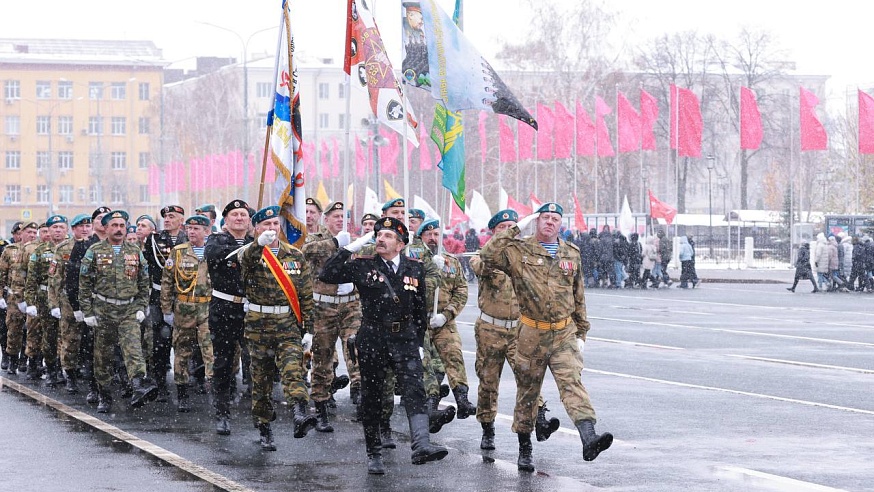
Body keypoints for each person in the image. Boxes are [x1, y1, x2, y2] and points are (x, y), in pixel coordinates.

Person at [479, 202, 613, 472]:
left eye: (555, 219)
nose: (550, 222)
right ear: (537, 222)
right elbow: (488, 255)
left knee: (571, 382)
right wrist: (517, 227)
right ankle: (525, 447)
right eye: (545, 218)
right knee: (528, 393)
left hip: (564, 332)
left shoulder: (571, 253)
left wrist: (582, 332)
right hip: (531, 333)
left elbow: (578, 295)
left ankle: (589, 436)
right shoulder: (519, 250)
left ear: (560, 224)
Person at [320, 217, 448, 474]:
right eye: (379, 235)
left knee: (415, 390)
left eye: (388, 236)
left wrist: (419, 341)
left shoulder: (415, 267)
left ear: (400, 244)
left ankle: (421, 445)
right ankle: (374, 452)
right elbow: (327, 274)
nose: (381, 239)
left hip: (404, 339)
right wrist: (349, 248)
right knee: (373, 397)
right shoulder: (363, 265)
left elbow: (418, 307)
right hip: (373, 338)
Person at [470, 210, 560, 451]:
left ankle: (538, 421)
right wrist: (514, 231)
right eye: (504, 227)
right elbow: (485, 264)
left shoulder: (524, 259)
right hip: (491, 329)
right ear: (494, 232)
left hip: (519, 330)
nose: (509, 230)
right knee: (488, 382)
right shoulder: (483, 257)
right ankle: (487, 428)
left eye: (512, 225)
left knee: (528, 380)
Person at [240, 206, 317, 451]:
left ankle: (300, 413)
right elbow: (246, 264)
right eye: (266, 225)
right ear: (257, 228)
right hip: (258, 325)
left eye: (275, 224)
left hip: (286, 324)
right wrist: (258, 245)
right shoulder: (249, 253)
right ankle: (264, 426)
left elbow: (305, 293)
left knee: (293, 369)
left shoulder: (294, 255)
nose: (272, 229)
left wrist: (309, 329)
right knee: (261, 380)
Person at [79, 210, 158, 413]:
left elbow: (144, 281)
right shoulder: (94, 251)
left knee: (133, 349)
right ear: (106, 228)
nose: (119, 229)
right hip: (103, 311)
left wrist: (141, 307)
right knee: (102, 355)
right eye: (114, 225)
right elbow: (85, 283)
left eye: (122, 225)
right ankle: (104, 394)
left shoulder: (134, 251)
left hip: (128, 309)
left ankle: (138, 386)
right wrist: (87, 312)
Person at [301, 201, 362, 433]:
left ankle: (360, 398)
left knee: (356, 350)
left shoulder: (356, 239)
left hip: (351, 306)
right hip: (323, 307)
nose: (339, 220)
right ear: (325, 219)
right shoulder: (316, 238)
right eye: (335, 216)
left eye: (343, 216)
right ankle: (321, 406)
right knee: (323, 358)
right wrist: (337, 243)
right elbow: (307, 252)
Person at [418, 219, 476, 418]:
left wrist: (446, 315)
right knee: (426, 363)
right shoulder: (411, 258)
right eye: (429, 235)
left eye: (436, 234)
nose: (433, 239)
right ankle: (431, 402)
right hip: (420, 321)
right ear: (421, 237)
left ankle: (462, 399)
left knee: (454, 355)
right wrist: (428, 269)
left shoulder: (451, 261)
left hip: (443, 320)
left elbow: (461, 290)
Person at [204, 199, 253, 435]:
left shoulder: (256, 241)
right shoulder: (216, 240)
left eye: (244, 214)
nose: (240, 218)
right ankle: (222, 412)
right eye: (235, 214)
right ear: (226, 219)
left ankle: (259, 414)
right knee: (223, 363)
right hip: (224, 308)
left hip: (251, 309)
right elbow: (216, 255)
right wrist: (250, 250)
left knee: (256, 361)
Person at [160, 215, 215, 413]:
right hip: (184, 308)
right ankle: (182, 392)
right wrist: (166, 309)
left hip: (208, 308)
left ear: (206, 231)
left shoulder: (213, 250)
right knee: (182, 350)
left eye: (196, 229)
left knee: (210, 351)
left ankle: (214, 391)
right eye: (189, 228)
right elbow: (167, 282)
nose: (192, 232)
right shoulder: (178, 252)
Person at [142, 205, 188, 401]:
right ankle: (160, 384)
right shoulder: (154, 239)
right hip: (159, 296)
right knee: (160, 343)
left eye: (172, 216)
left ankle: (184, 387)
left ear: (181, 220)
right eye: (165, 217)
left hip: (184, 296)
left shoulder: (188, 239)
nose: (167, 220)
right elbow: (154, 266)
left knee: (184, 343)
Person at [65, 207, 111, 403]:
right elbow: (73, 279)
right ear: (93, 223)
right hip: (92, 305)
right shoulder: (84, 246)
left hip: (117, 306)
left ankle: (116, 384)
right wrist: (77, 308)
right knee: (92, 347)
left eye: (106, 219)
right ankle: (95, 388)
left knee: (115, 349)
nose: (103, 222)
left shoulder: (120, 245)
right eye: (99, 218)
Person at [49, 214, 92, 393]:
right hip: (69, 300)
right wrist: (54, 304)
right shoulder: (63, 248)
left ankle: (91, 374)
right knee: (70, 339)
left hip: (91, 299)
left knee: (91, 340)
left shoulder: (96, 246)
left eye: (87, 226)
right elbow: (55, 279)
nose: (84, 229)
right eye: (80, 226)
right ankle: (70, 375)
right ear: (73, 229)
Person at [24, 214, 68, 387]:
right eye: (54, 227)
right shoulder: (40, 251)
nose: (58, 230)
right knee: (49, 336)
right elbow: (31, 279)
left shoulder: (72, 249)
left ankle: (61, 368)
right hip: (44, 299)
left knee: (66, 336)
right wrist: (30, 302)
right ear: (48, 230)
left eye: (61, 227)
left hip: (66, 298)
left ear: (66, 230)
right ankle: (51, 369)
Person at [2, 222, 38, 375]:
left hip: (33, 297)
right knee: (14, 330)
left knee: (32, 331)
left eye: (34, 232)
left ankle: (26, 360)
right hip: (14, 298)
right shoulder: (10, 251)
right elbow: (2, 274)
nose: (32, 235)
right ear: (20, 233)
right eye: (29, 232)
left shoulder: (38, 250)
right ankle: (12, 359)